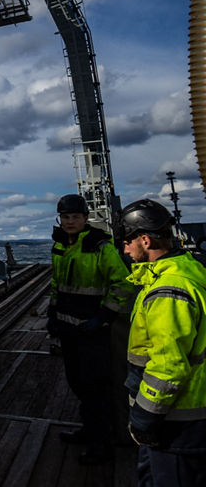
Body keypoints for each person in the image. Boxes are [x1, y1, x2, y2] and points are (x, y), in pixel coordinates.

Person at [118, 198, 206, 486]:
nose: (124, 249)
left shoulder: (168, 290)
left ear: (145, 239)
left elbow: (168, 367)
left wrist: (144, 417)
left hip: (177, 419)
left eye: (127, 241)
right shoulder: (188, 270)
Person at [46, 193, 133, 464]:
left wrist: (104, 315)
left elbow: (123, 283)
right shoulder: (61, 246)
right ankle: (89, 430)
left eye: (75, 217)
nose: (70, 222)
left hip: (92, 330)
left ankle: (101, 443)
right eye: (65, 217)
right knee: (78, 383)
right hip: (69, 329)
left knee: (96, 388)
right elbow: (57, 283)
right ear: (60, 220)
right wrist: (52, 313)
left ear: (85, 218)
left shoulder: (100, 247)